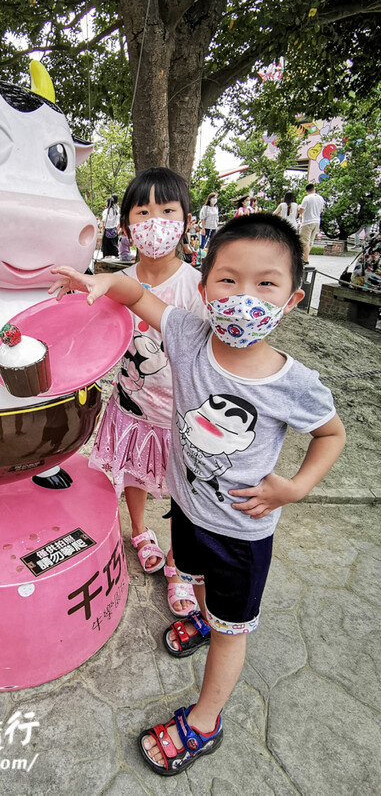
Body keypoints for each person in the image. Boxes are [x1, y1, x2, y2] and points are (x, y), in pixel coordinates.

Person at [50, 213, 346, 777]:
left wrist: (296, 486)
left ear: (291, 298)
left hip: (241, 534)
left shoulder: (294, 383)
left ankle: (205, 723)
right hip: (187, 509)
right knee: (196, 575)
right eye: (228, 280)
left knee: (233, 634)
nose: (243, 297)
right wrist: (101, 282)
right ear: (204, 286)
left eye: (266, 283)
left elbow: (332, 434)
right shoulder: (187, 334)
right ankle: (205, 618)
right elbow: (135, 291)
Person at [88, 167, 206, 617]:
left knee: (181, 489)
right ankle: (139, 531)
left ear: (186, 221)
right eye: (143, 211)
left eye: (167, 210)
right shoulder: (114, 283)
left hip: (179, 414)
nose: (155, 221)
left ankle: (178, 562)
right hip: (130, 406)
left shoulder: (197, 287)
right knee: (134, 473)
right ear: (125, 227)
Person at [298, 183, 326, 265]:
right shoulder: (321, 198)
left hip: (307, 222)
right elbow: (321, 210)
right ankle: (306, 257)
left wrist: (299, 208)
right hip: (317, 221)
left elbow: (301, 211)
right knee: (310, 241)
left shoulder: (307, 198)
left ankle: (305, 260)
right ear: (314, 189)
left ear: (306, 191)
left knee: (304, 241)